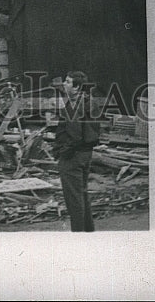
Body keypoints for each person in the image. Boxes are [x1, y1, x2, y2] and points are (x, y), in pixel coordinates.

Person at [52, 70, 101, 232]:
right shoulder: (89, 101)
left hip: (73, 157)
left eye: (67, 81)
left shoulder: (74, 105)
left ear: (77, 87)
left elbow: (74, 135)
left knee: (74, 201)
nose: (64, 84)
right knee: (82, 196)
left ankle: (78, 238)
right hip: (86, 154)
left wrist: (62, 152)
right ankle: (88, 232)